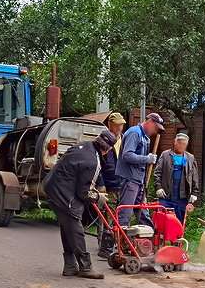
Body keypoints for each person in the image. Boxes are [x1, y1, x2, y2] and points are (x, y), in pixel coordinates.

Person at [43, 129, 119, 279]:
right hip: (62, 192)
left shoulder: (83, 145)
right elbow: (84, 193)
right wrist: (98, 197)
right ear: (107, 149)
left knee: (68, 225)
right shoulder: (93, 162)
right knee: (75, 226)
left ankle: (70, 266)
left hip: (50, 186)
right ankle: (85, 267)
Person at [115, 112, 165, 225]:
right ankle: (117, 240)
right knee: (125, 213)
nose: (156, 131)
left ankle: (146, 240)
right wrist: (146, 159)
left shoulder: (145, 137)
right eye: (156, 128)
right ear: (150, 122)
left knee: (143, 212)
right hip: (129, 179)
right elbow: (127, 155)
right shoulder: (135, 133)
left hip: (138, 181)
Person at [96, 112, 127, 259]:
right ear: (110, 124)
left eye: (121, 124)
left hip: (123, 183)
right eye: (117, 125)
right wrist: (100, 184)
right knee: (108, 215)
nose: (119, 127)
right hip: (109, 184)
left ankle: (119, 244)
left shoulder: (125, 139)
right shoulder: (104, 140)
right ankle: (105, 246)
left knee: (121, 216)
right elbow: (98, 165)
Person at [154, 132, 200, 223]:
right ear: (174, 142)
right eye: (179, 143)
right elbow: (157, 172)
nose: (181, 146)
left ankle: (178, 236)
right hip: (166, 194)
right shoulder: (165, 155)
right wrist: (158, 187)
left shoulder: (190, 158)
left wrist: (194, 193)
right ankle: (162, 236)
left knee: (179, 220)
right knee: (164, 218)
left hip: (182, 196)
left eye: (184, 144)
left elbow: (195, 176)